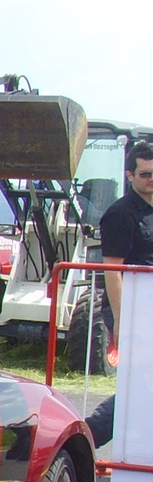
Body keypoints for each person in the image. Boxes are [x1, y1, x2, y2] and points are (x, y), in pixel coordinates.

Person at [85, 140, 153, 447]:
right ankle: (85, 439)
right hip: (134, 307)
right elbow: (112, 270)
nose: (151, 179)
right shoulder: (120, 214)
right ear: (129, 175)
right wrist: (123, 320)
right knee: (139, 386)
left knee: (142, 386)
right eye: (144, 174)